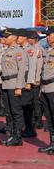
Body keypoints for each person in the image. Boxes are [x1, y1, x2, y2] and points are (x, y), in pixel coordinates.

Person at [0, 28, 28, 147]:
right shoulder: (6, 50)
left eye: (6, 37)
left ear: (14, 37)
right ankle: (11, 135)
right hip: (6, 84)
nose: (4, 39)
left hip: (14, 85)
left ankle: (17, 137)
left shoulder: (19, 51)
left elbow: (22, 70)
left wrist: (18, 87)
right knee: (9, 112)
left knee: (16, 112)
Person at [38, 27, 54, 155]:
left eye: (50, 35)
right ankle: (52, 143)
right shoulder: (47, 51)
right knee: (49, 118)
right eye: (47, 35)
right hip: (45, 88)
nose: (47, 37)